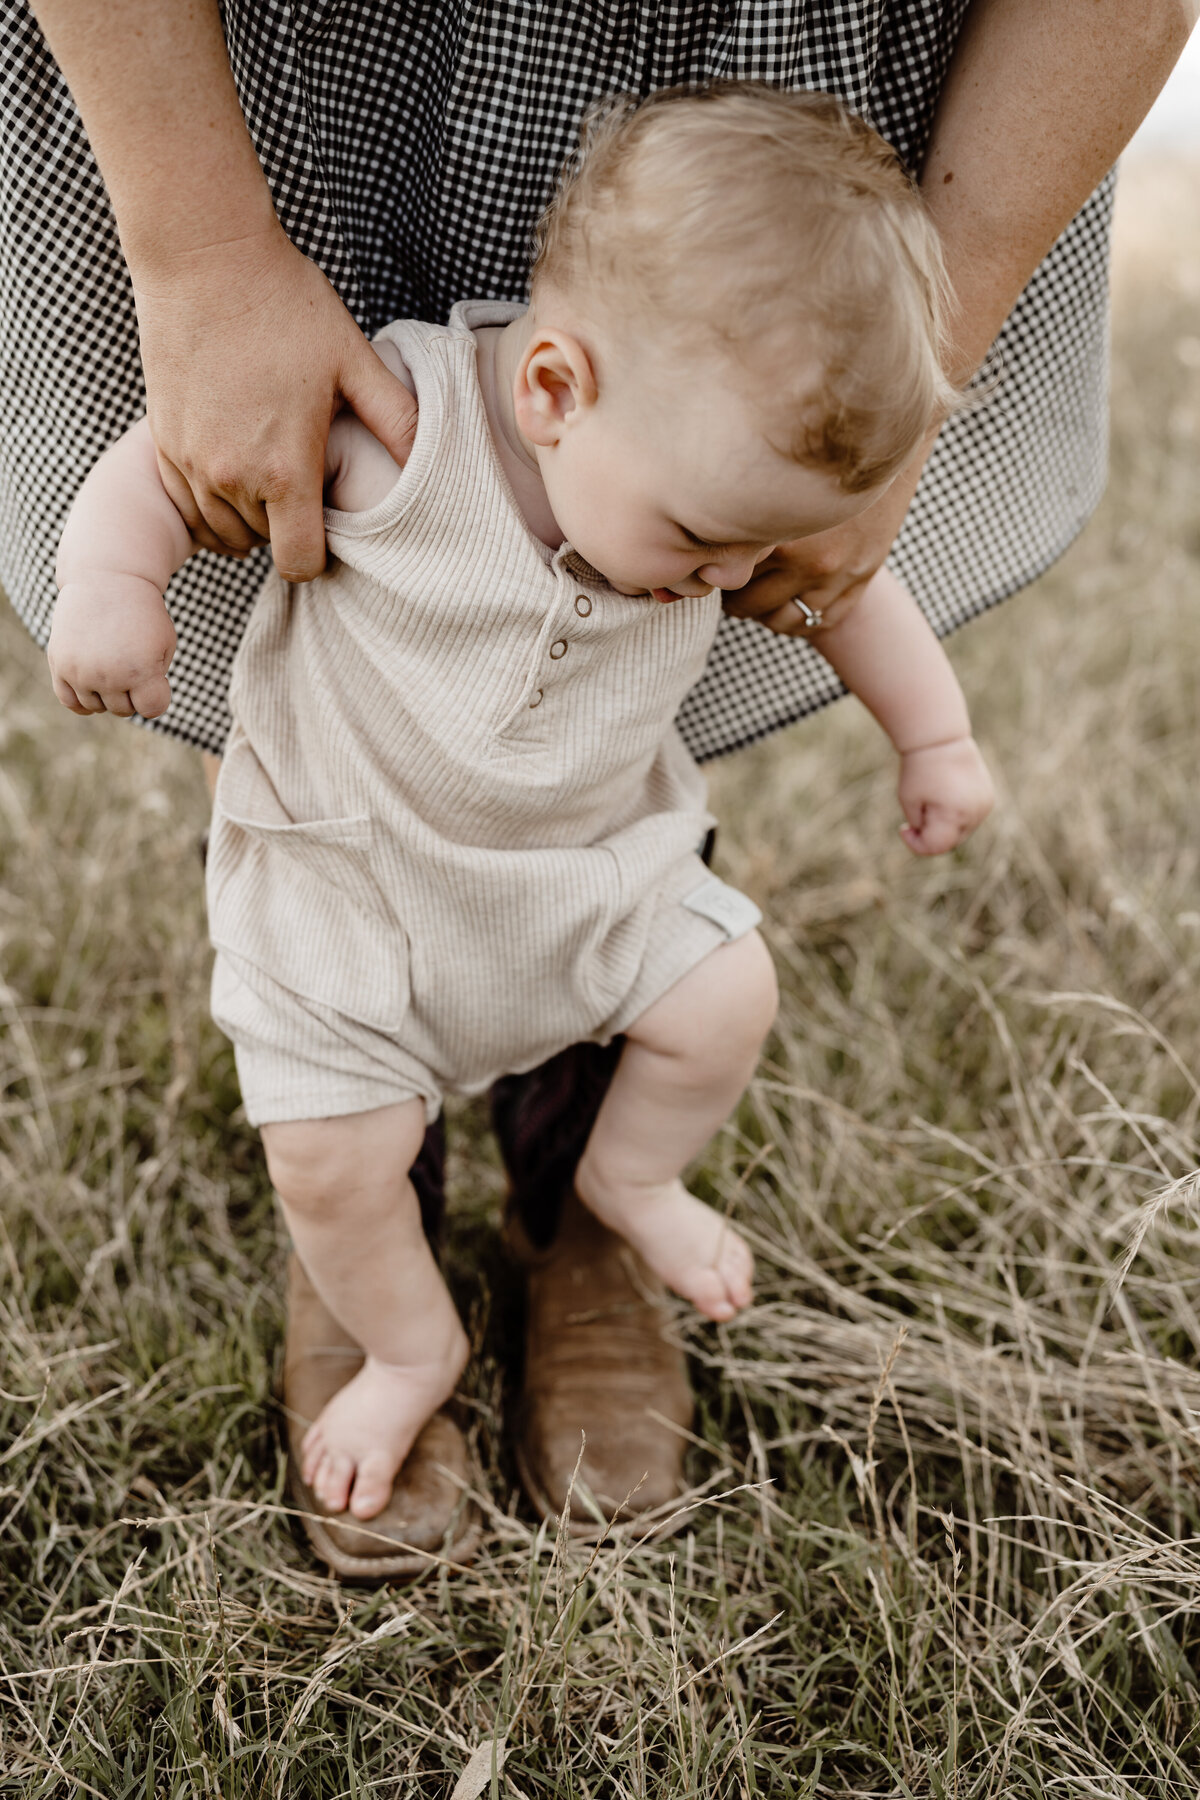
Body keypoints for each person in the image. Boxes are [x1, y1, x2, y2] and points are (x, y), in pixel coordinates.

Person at [6, 2, 1192, 1574]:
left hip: (584, 886)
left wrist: (938, 739)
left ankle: (616, 1182)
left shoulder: (712, 477)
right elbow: (165, 462)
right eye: (705, 543)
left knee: (726, 986)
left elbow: (850, 593)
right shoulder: (399, 425)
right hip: (360, 902)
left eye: (748, 554)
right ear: (554, 390)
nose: (726, 584)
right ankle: (404, 1340)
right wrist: (112, 585)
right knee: (331, 1156)